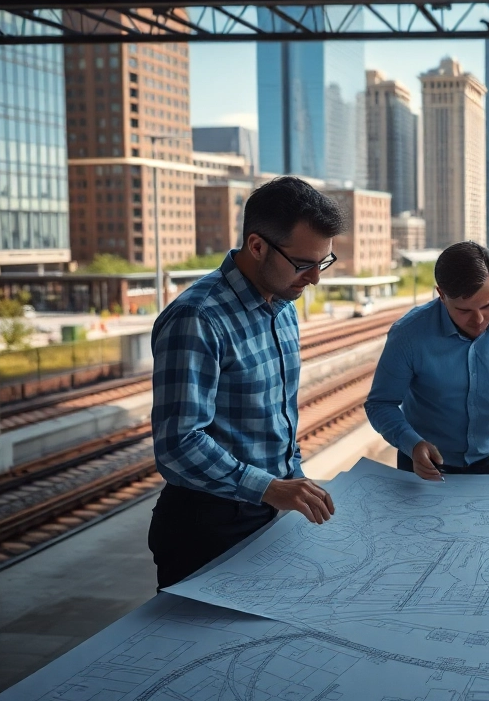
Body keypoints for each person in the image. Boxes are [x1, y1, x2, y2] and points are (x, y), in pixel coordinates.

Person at [147, 176, 343, 590]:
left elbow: (277, 416)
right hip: (207, 527)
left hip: (268, 508)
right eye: (303, 264)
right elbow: (178, 444)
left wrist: (293, 478)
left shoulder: (283, 305)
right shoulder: (197, 318)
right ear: (257, 246)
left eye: (323, 263)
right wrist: (269, 487)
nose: (314, 279)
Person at [365, 242, 489, 487]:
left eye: (488, 305)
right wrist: (411, 443)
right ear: (441, 294)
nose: (478, 319)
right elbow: (381, 403)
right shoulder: (408, 335)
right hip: (421, 463)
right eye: (464, 310)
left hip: (487, 462)